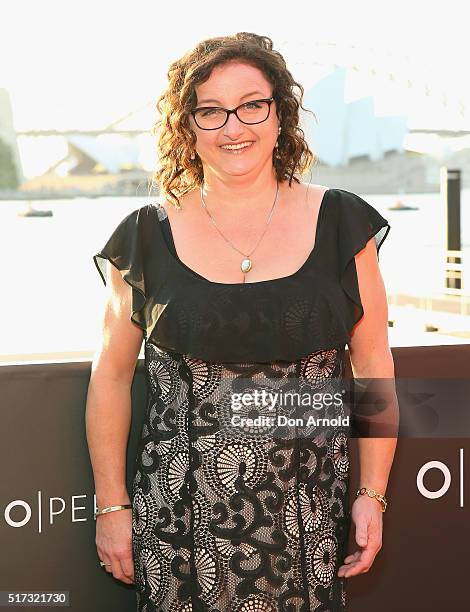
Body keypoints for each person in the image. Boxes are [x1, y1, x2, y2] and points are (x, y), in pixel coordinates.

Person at [86, 32, 399, 611]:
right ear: (189, 127)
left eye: (252, 104)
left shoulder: (341, 224)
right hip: (179, 528)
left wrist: (372, 495)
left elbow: (374, 365)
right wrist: (112, 505)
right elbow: (110, 377)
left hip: (310, 519)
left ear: (281, 113)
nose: (235, 127)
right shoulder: (144, 235)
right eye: (211, 111)